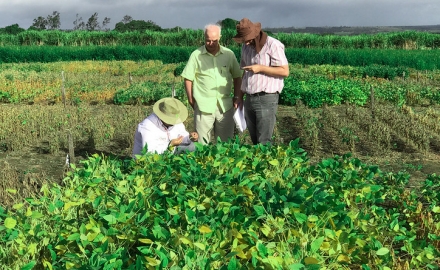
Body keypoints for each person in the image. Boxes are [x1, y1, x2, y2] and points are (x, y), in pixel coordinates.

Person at [181, 24, 242, 145]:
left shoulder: (229, 54)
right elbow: (188, 78)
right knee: (202, 144)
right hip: (203, 106)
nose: (211, 43)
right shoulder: (196, 55)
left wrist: (237, 96)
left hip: (225, 106)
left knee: (225, 144)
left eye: (214, 40)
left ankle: (223, 164)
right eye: (208, 40)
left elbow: (237, 76)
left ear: (220, 37)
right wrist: (190, 99)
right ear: (204, 38)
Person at [232, 18, 289, 145]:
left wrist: (261, 68)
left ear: (255, 34)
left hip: (266, 98)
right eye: (244, 40)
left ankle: (265, 163)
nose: (246, 43)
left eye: (248, 39)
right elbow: (245, 72)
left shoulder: (273, 45)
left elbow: (284, 71)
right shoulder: (246, 48)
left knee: (264, 140)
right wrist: (239, 97)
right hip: (249, 98)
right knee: (254, 139)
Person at [132, 97, 198, 157]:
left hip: (169, 151)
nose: (174, 122)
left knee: (192, 146)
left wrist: (190, 137)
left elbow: (182, 135)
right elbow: (150, 152)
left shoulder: (176, 119)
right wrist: (170, 145)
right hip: (149, 159)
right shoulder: (147, 126)